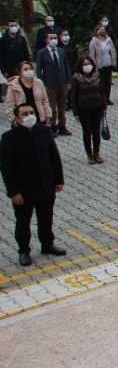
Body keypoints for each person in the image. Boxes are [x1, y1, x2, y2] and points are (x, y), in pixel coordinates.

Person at [1, 103, 65, 266]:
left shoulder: (43, 131)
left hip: (46, 185)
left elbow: (54, 156)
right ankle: (23, 250)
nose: (29, 116)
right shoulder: (9, 138)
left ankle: (47, 244)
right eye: (24, 114)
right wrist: (13, 192)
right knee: (23, 221)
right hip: (23, 190)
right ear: (17, 118)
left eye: (31, 112)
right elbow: (6, 168)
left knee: (46, 217)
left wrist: (59, 180)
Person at [70, 56, 107, 164]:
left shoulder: (97, 75)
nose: (87, 66)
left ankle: (96, 153)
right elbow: (73, 96)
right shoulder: (76, 78)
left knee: (96, 132)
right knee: (87, 132)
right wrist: (75, 112)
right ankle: (89, 155)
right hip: (83, 109)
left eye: (88, 63)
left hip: (97, 107)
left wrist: (104, 106)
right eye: (84, 64)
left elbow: (102, 92)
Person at [35, 33, 72, 136]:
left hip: (62, 83)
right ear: (47, 40)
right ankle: (53, 127)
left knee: (62, 107)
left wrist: (68, 81)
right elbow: (39, 70)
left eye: (55, 38)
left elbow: (66, 66)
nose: (53, 40)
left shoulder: (61, 51)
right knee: (52, 107)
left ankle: (62, 126)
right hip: (50, 84)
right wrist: (41, 83)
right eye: (51, 38)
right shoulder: (41, 53)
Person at [5, 61, 52, 126]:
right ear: (20, 72)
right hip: (23, 120)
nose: (28, 71)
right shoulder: (13, 86)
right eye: (25, 69)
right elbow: (10, 105)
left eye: (30, 69)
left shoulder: (39, 83)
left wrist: (48, 115)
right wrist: (14, 120)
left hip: (39, 118)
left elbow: (45, 100)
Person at [88, 23, 117, 105]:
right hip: (99, 66)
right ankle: (101, 99)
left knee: (108, 82)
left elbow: (113, 50)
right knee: (101, 83)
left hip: (108, 64)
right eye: (100, 29)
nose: (102, 31)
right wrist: (94, 66)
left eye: (103, 29)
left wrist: (114, 62)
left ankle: (107, 98)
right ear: (96, 31)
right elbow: (91, 55)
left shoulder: (108, 39)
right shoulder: (93, 41)